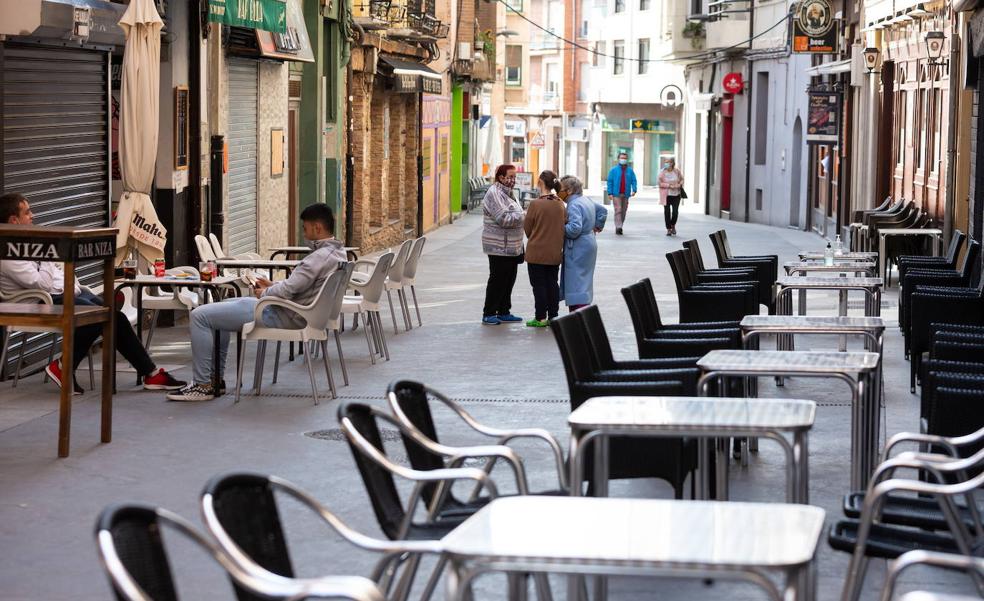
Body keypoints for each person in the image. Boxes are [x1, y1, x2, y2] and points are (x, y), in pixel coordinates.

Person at [0, 192, 185, 394]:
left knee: (116, 317)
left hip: (61, 294)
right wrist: (48, 251)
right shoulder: (7, 252)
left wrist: (60, 272)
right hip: (38, 303)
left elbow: (57, 273)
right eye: (27, 213)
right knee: (99, 318)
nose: (33, 216)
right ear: (14, 220)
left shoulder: (25, 242)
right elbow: (43, 283)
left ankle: (150, 373)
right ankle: (64, 367)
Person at [166, 204, 346, 401]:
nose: (304, 233)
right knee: (220, 308)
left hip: (282, 314)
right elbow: (300, 287)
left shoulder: (317, 258)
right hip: (301, 313)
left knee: (199, 315)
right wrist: (272, 284)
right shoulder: (338, 254)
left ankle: (202, 385)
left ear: (317, 228)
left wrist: (265, 291)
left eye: (305, 228)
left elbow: (288, 290)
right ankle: (215, 379)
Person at [481, 164, 525, 326]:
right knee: (498, 279)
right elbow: (504, 219)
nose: (513, 180)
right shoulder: (494, 193)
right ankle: (489, 313)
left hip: (512, 247)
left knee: (509, 279)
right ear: (501, 178)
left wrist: (520, 215)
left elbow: (513, 213)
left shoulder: (509, 193)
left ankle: (504, 311)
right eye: (510, 177)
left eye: (515, 177)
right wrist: (524, 215)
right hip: (499, 247)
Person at [522, 170, 566, 327]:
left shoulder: (535, 204)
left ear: (540, 182)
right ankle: (554, 315)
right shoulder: (560, 204)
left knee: (538, 285)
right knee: (552, 283)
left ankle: (540, 317)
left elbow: (527, 228)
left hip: (536, 252)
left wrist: (536, 236)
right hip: (554, 252)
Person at [559, 176, 607, 311]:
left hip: (577, 247)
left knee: (576, 282)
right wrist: (597, 226)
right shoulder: (585, 200)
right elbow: (602, 211)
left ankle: (578, 314)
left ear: (569, 190)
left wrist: (559, 228)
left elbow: (574, 229)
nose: (559, 192)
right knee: (584, 281)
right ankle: (583, 311)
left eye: (561, 189)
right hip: (589, 243)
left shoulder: (573, 204)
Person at [605, 151, 637, 236]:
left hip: (626, 194)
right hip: (616, 194)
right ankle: (618, 227)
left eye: (625, 158)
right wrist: (609, 193)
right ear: (618, 159)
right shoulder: (613, 170)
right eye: (622, 158)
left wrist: (634, 189)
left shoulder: (630, 171)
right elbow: (610, 182)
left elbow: (634, 180)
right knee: (618, 209)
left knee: (623, 211)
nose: (623, 160)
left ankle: (620, 225)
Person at [658, 157, 684, 236]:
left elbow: (682, 179)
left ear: (672, 163)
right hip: (666, 195)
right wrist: (669, 186)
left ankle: (673, 225)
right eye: (665, 162)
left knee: (675, 212)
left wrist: (679, 184)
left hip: (676, 195)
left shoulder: (677, 171)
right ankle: (668, 229)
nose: (666, 164)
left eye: (668, 162)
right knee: (667, 212)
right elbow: (659, 183)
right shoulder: (662, 172)